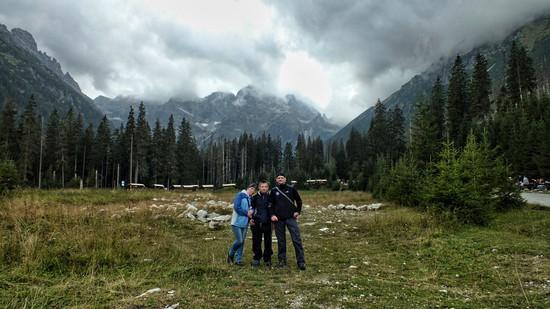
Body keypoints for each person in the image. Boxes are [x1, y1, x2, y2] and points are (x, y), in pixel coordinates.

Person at [269, 172, 306, 270]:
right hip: (278, 219)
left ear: (285, 179)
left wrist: (298, 211)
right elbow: (270, 205)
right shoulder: (273, 191)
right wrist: (272, 215)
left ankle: (301, 262)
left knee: (296, 240)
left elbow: (299, 201)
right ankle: (282, 261)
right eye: (278, 178)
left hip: (291, 218)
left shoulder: (291, 189)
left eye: (282, 178)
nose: (280, 179)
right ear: (276, 180)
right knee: (281, 241)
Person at [227, 183, 256, 266]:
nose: (252, 191)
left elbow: (251, 209)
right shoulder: (240, 195)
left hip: (245, 223)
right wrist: (247, 213)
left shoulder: (250, 198)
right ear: (248, 188)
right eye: (251, 188)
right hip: (236, 222)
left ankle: (238, 260)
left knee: (242, 242)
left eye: (254, 190)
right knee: (239, 240)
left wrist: (251, 215)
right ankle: (230, 254)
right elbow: (237, 207)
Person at [250, 180, 273, 267]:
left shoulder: (271, 197)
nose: (264, 188)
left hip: (267, 222)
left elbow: (273, 209)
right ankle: (257, 257)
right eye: (262, 186)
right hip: (256, 223)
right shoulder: (254, 197)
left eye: (265, 187)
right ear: (259, 187)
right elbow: (251, 209)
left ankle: (267, 258)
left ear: (268, 188)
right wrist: (250, 218)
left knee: (268, 241)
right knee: (256, 241)